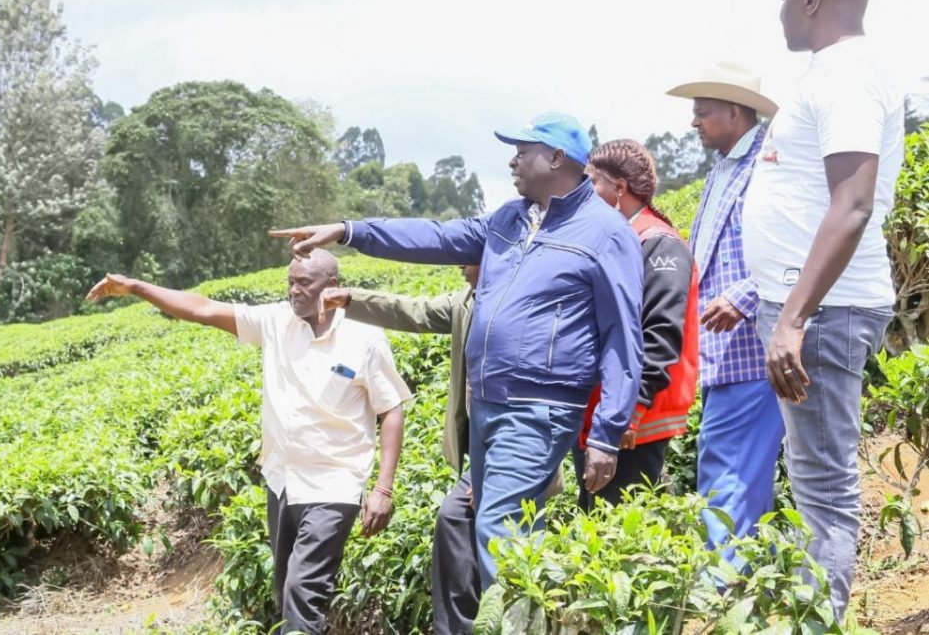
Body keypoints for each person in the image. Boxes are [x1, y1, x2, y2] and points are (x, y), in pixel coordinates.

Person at [270, 111, 644, 591]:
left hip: (540, 406)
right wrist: (350, 231)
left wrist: (607, 432)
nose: (512, 161)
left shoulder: (605, 233)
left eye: (522, 151)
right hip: (487, 404)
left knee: (500, 529)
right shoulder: (509, 219)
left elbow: (622, 336)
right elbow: (437, 236)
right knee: (501, 527)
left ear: (556, 158)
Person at [85, 250, 412, 635]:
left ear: (332, 287)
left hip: (335, 483)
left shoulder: (365, 337)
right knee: (286, 592)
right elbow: (202, 309)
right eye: (290, 282)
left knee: (302, 590)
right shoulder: (276, 322)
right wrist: (138, 287)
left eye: (304, 283)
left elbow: (391, 409)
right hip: (283, 480)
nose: (294, 291)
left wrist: (383, 489)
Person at [742, 0, 904, 620]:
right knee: (809, 479)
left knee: (821, 484)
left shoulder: (845, 75)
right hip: (808, 307)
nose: (777, 10)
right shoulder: (830, 75)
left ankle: (820, 623)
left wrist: (792, 319)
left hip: (824, 313)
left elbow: (853, 203)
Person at [320, 265, 481, 634]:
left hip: (515, 447)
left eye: (467, 256)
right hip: (481, 451)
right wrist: (351, 299)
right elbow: (413, 311)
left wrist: (499, 467)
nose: (459, 264)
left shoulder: (519, 298)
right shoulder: (467, 301)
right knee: (455, 523)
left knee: (471, 528)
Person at [665, 63, 786, 557]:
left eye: (703, 112)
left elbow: (797, 247)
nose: (694, 122)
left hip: (752, 349)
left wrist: (742, 296)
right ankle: (752, 583)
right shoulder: (723, 169)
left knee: (728, 471)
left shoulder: (771, 163)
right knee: (734, 470)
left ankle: (724, 586)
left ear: (734, 112)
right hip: (723, 354)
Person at [574, 139, 699, 509]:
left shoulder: (658, 243)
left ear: (619, 188)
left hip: (635, 421)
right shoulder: (624, 238)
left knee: (618, 526)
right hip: (608, 411)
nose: (585, 193)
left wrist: (630, 410)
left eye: (591, 182)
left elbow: (660, 332)